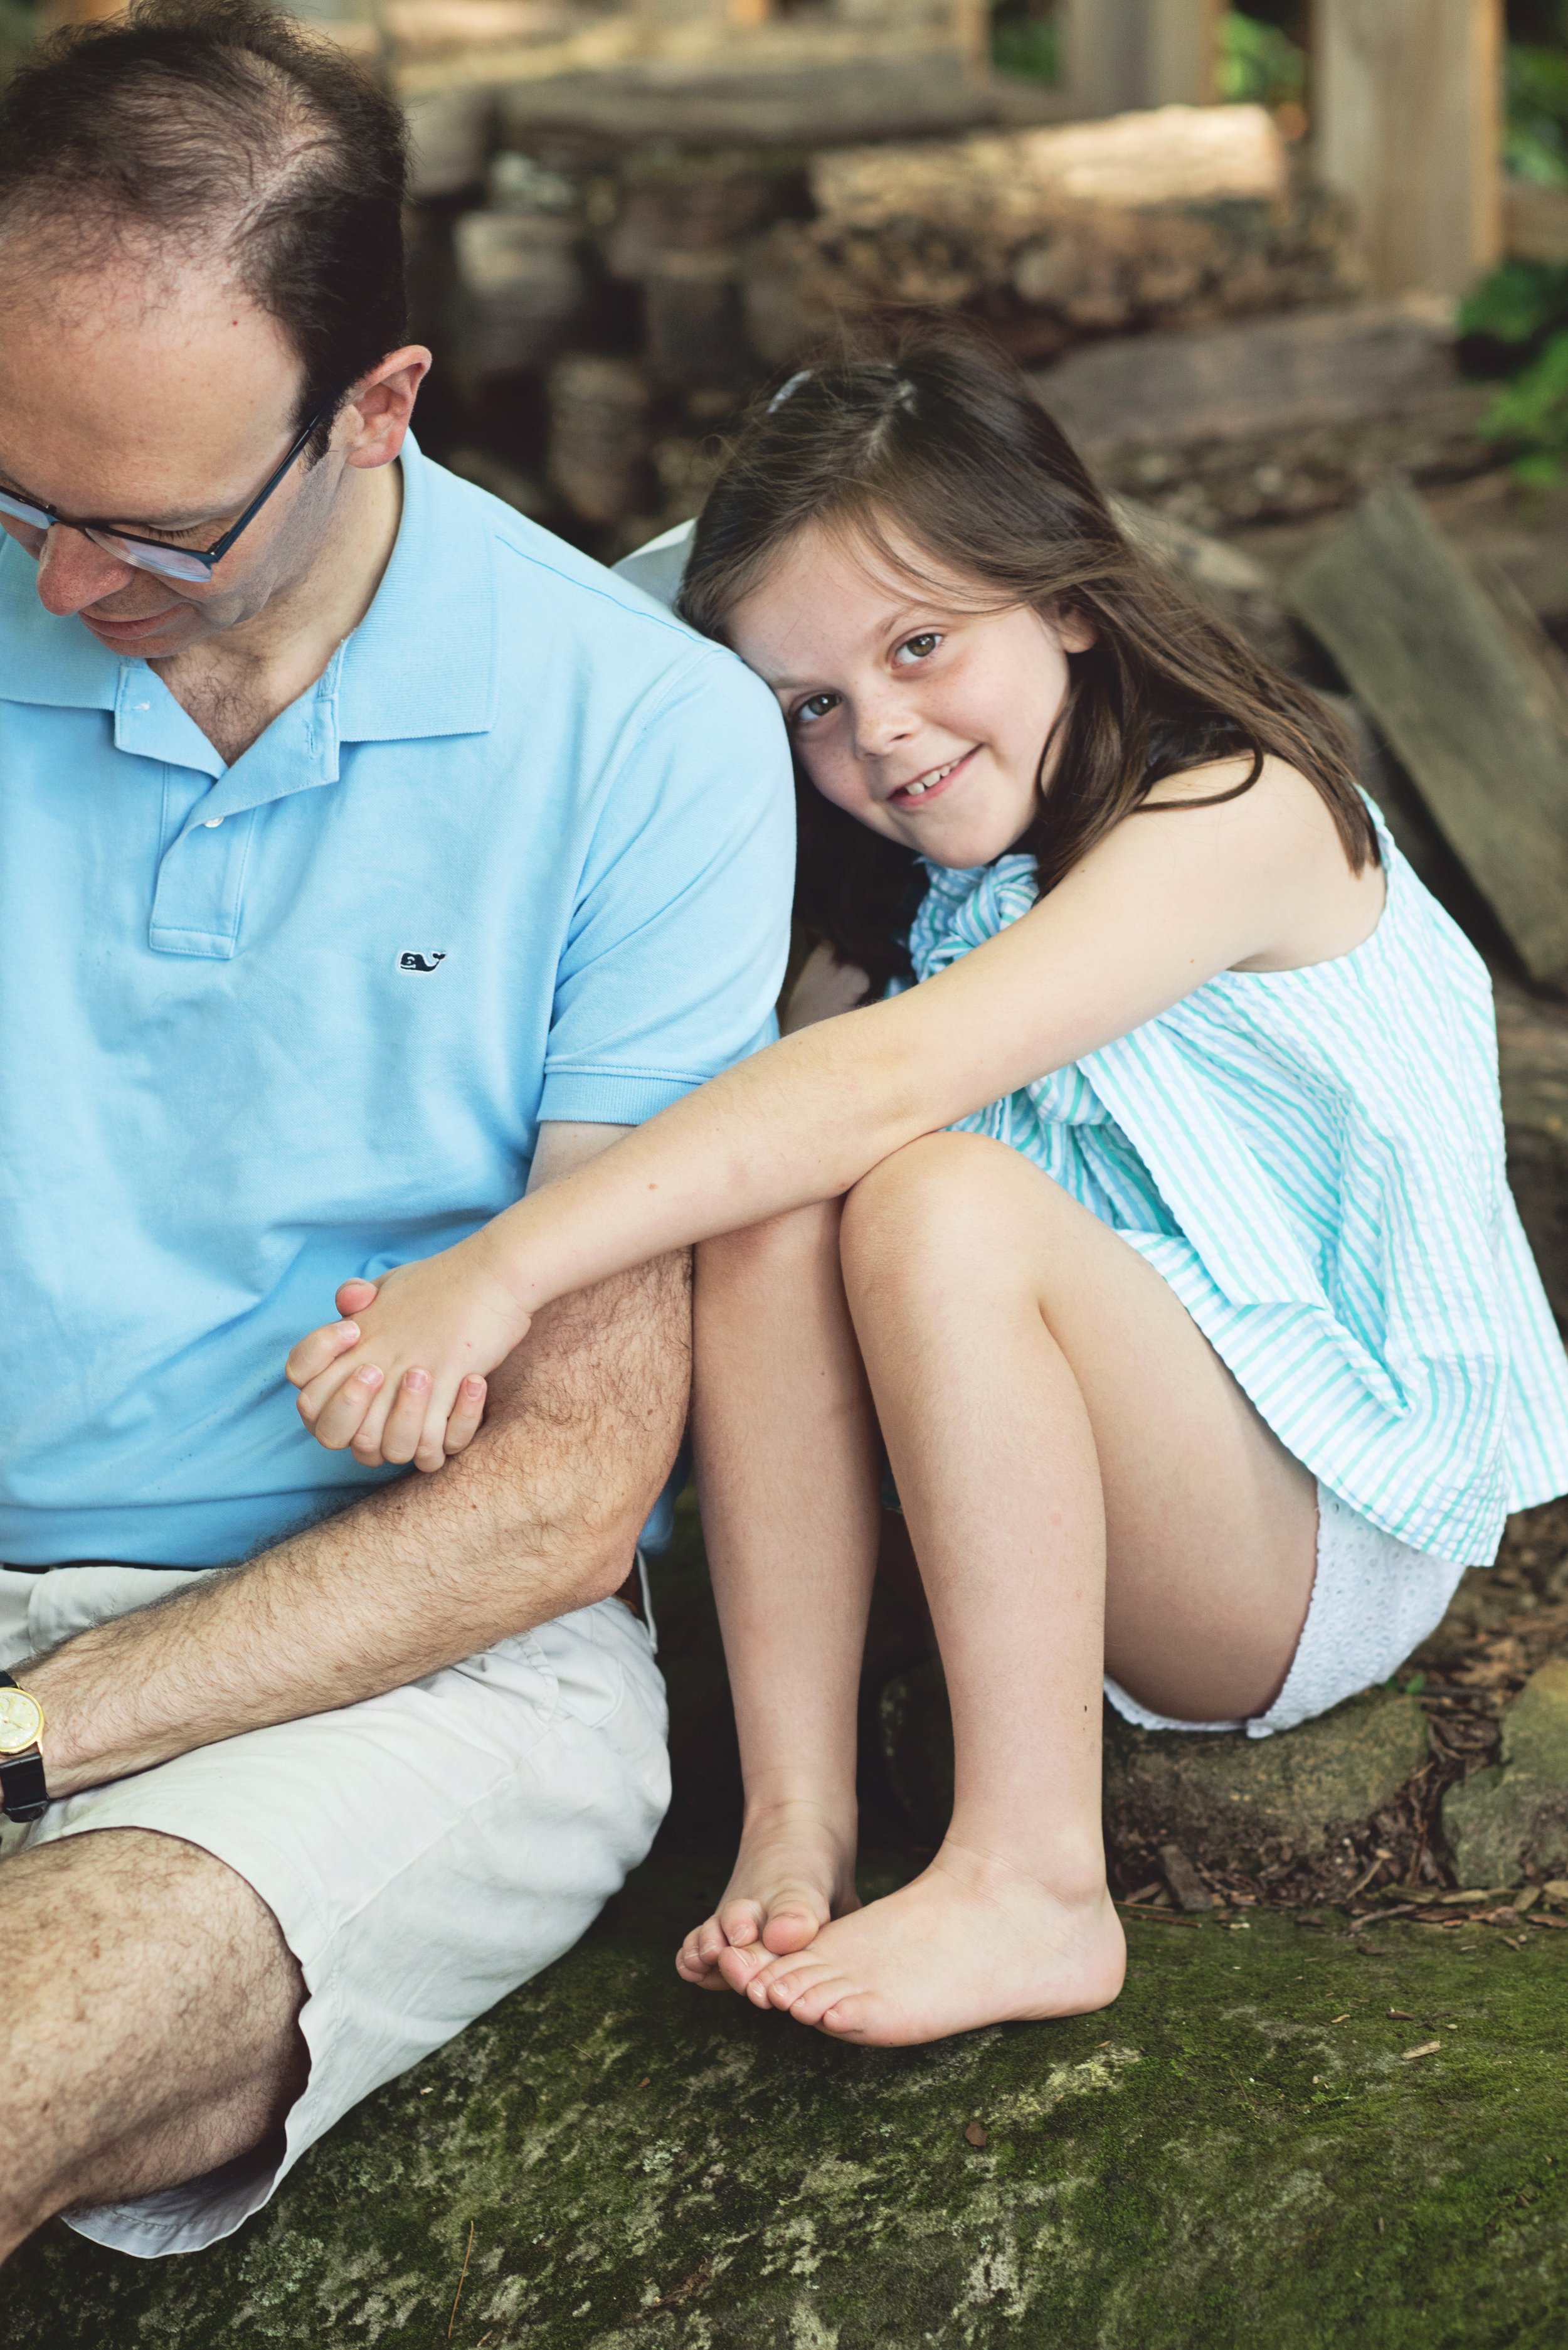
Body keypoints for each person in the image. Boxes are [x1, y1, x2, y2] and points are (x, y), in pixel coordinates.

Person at [287, 329, 1568, 2050]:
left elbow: (875, 1090)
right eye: (810, 703)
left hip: (1308, 1538)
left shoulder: (1237, 809)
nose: (877, 731)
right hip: (1114, 1474)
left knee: (922, 1189)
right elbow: (645, 639)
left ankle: (1034, 1876)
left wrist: (500, 1270)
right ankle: (792, 1810)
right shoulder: (925, 891)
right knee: (768, 1186)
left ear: (1064, 595)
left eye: (917, 645)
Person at [0, 0, 792, 2262]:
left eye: (144, 528)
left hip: (396, 1668)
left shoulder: (643, 740)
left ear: (379, 407)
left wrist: (34, 1731)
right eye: (16, 496)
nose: (62, 586)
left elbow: (560, 1486)